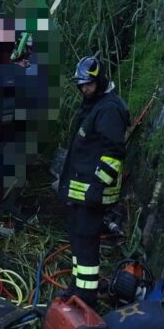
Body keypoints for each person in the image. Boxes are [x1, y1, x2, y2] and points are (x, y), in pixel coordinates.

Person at [58, 56, 129, 307]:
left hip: (92, 193)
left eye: (88, 84)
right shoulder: (95, 104)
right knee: (78, 239)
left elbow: (114, 153)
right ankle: (78, 285)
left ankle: (86, 296)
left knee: (86, 242)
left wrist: (97, 187)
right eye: (81, 85)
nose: (83, 89)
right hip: (81, 191)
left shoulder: (109, 109)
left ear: (99, 81)